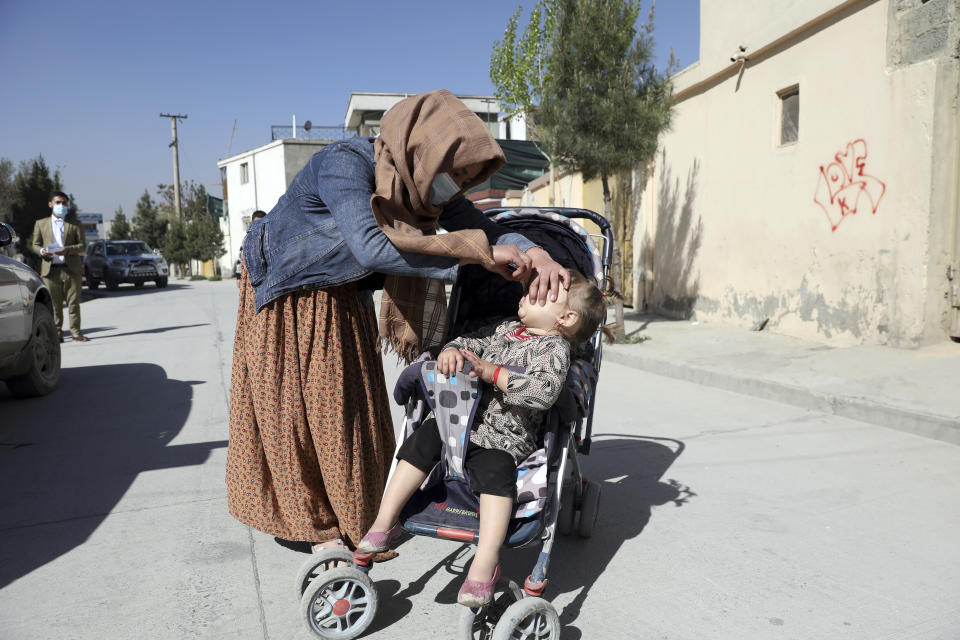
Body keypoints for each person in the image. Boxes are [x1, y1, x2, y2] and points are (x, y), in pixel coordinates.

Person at [226, 90, 570, 556]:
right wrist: (475, 258)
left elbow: (486, 228)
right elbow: (371, 246)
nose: (458, 188)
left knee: (345, 412)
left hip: (339, 293)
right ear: (424, 151)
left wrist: (538, 253)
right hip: (288, 291)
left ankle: (356, 517)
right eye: (458, 175)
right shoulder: (343, 164)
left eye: (469, 179)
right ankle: (317, 528)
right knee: (292, 415)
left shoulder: (425, 187)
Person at [356, 270, 612, 606]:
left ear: (565, 317)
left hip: (502, 437)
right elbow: (472, 340)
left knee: (495, 474)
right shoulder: (506, 330)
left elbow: (544, 392)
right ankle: (383, 523)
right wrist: (452, 350)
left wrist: (495, 373)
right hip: (457, 421)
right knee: (422, 439)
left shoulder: (554, 349)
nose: (525, 293)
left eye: (537, 293)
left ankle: (485, 560)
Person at [30, 191, 88, 342]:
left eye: (64, 203)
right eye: (58, 202)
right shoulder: (41, 223)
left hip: (71, 269)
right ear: (50, 204)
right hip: (51, 270)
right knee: (54, 305)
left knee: (73, 303)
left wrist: (68, 250)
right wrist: (42, 251)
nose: (61, 206)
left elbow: (83, 246)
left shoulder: (75, 224)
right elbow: (35, 245)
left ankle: (76, 332)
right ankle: (57, 333)